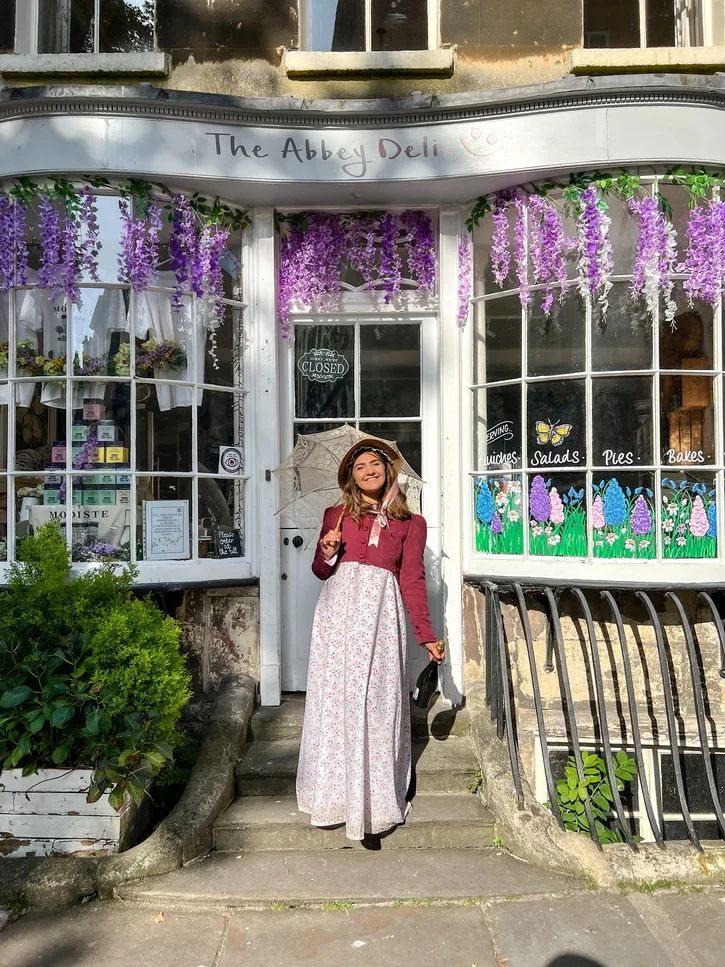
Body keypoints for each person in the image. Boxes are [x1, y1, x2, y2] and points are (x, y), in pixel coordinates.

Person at [295, 438, 444, 843]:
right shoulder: (335, 515)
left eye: (374, 464)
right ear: (350, 477)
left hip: (381, 615)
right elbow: (320, 572)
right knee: (337, 699)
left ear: (387, 470)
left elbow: (412, 579)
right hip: (338, 616)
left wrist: (426, 635)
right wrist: (326, 552)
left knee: (376, 701)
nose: (368, 471)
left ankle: (374, 800)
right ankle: (337, 796)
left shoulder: (412, 524)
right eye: (359, 467)